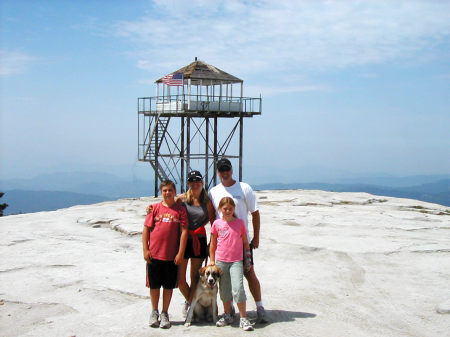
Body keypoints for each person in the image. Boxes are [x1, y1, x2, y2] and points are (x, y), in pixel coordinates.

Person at [145, 170, 215, 318]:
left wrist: (211, 244)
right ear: (188, 183)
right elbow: (168, 205)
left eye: (197, 181)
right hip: (183, 239)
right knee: (180, 279)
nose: (195, 184)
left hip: (199, 238)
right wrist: (150, 208)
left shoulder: (207, 201)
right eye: (192, 181)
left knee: (196, 277)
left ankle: (191, 306)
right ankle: (191, 302)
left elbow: (214, 222)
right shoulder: (181, 199)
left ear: (202, 182)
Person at [208, 158, 267, 323]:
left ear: (232, 170)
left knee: (249, 274)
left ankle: (259, 307)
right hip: (223, 245)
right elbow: (211, 214)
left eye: (227, 169)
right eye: (221, 170)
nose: (224, 173)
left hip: (242, 242)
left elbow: (255, 212)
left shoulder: (244, 188)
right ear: (218, 172)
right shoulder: (213, 191)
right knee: (225, 280)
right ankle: (229, 310)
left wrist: (256, 237)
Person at [142, 180, 189, 329]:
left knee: (168, 287)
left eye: (170, 190)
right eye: (164, 190)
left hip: (171, 256)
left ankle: (164, 313)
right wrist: (145, 249)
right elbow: (146, 229)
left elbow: (184, 231)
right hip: (154, 255)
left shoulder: (180, 210)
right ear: (161, 192)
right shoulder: (154, 208)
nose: (167, 193)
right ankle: (154, 311)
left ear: (175, 192)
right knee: (154, 286)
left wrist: (181, 252)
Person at [210, 197, 254, 331]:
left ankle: (243, 318)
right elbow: (212, 244)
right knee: (224, 290)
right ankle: (227, 314)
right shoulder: (217, 224)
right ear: (220, 209)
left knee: (238, 288)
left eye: (230, 208)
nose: (228, 211)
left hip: (236, 261)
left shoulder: (240, 223)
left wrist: (248, 261)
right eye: (225, 209)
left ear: (234, 209)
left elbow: (246, 244)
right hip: (221, 261)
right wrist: (212, 260)